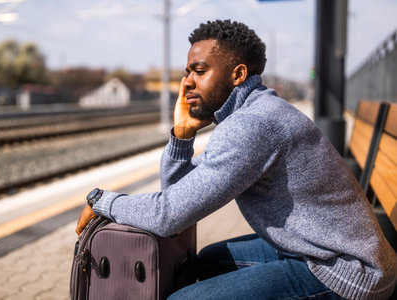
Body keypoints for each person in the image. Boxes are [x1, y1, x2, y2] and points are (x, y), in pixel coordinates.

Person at [76, 20, 397, 299]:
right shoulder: (253, 113)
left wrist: (101, 200)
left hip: (345, 271)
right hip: (317, 247)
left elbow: (169, 215)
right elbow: (180, 203)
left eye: (199, 71)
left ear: (238, 74)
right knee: (208, 260)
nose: (187, 82)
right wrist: (182, 137)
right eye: (188, 72)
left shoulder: (252, 125)